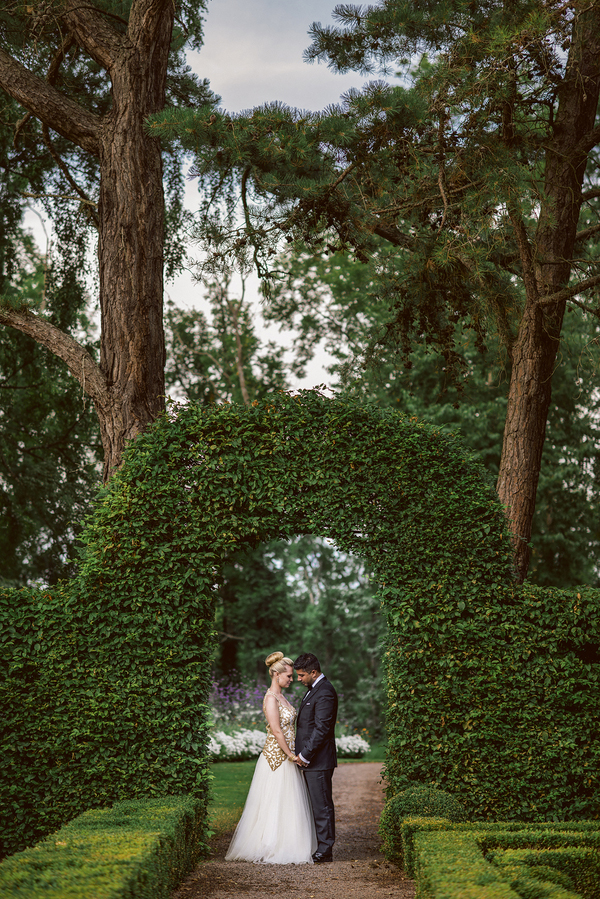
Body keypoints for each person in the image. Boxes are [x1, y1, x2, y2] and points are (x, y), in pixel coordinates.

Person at [224, 652, 317, 864]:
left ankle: (291, 842)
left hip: (287, 754)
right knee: (274, 800)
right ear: (276, 675)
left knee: (289, 801)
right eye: (289, 676)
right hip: (276, 757)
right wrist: (290, 755)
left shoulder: (282, 697)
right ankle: (270, 844)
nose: (292, 680)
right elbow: (276, 730)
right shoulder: (270, 698)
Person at [293, 652, 338, 863]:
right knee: (315, 805)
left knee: (322, 806)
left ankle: (325, 850)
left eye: (302, 675)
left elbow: (322, 729)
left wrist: (305, 754)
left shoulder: (325, 692)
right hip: (312, 759)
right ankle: (319, 844)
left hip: (318, 760)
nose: (299, 679)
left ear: (313, 672)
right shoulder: (314, 690)